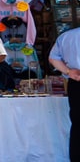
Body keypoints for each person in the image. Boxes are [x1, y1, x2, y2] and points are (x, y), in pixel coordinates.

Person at [48, 26, 80, 160]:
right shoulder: (67, 36)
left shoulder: (67, 36)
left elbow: (53, 58)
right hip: (76, 80)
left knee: (78, 124)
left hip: (76, 82)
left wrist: (68, 71)